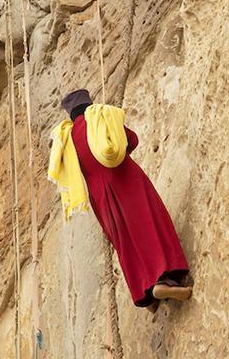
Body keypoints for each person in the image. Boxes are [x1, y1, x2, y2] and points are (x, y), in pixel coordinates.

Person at [48, 89, 192, 313]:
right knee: (148, 224)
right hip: (125, 179)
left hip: (100, 197)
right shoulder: (99, 117)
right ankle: (163, 279)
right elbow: (130, 139)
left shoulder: (66, 140)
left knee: (124, 240)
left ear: (70, 113)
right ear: (88, 104)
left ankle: (145, 293)